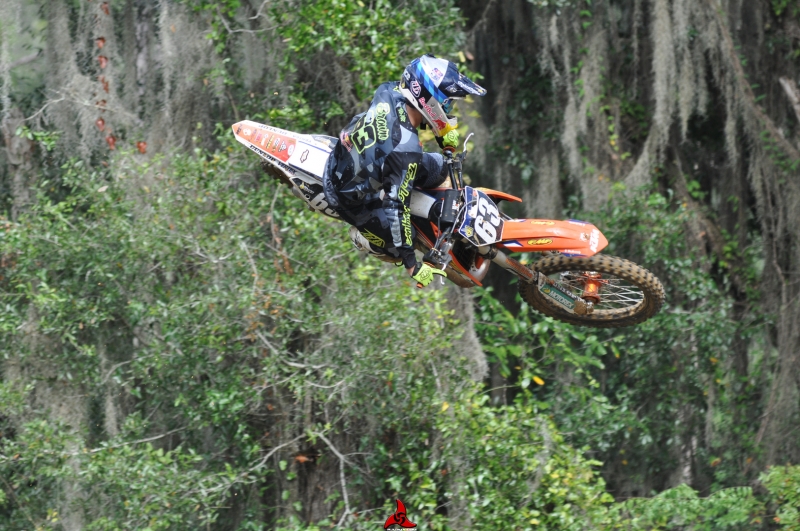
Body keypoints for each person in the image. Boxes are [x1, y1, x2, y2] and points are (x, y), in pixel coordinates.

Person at [322, 54, 487, 287]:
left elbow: (413, 114)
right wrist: (412, 265)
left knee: (439, 167)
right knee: (399, 244)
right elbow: (396, 206)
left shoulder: (389, 90)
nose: (450, 108)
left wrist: (441, 132)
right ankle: (362, 238)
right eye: (448, 103)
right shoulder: (405, 150)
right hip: (351, 197)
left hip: (353, 154)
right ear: (430, 101)